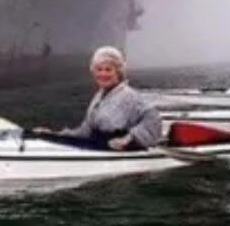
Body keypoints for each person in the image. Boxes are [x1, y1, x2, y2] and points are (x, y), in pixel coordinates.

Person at [33, 46, 162, 150]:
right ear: (93, 72)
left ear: (118, 72)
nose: (103, 74)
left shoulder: (129, 96)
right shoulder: (99, 97)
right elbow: (86, 131)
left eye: (108, 70)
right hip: (98, 146)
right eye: (99, 69)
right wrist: (52, 135)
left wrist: (129, 139)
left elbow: (153, 119)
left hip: (117, 150)